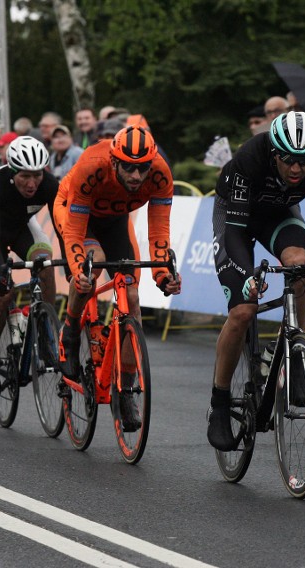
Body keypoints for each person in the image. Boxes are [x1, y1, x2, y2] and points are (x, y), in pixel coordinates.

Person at [206, 111, 305, 451]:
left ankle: (294, 350)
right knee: (243, 310)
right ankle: (219, 400)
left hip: (279, 216)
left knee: (299, 264)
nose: (296, 169)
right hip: (236, 219)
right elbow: (234, 234)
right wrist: (248, 277)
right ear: (274, 152)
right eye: (288, 160)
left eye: (303, 162)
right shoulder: (250, 157)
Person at [54, 125, 182, 431]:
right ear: (114, 162)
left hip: (115, 221)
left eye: (142, 168)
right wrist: (79, 272)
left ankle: (126, 390)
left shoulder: (160, 175)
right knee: (92, 265)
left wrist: (163, 275)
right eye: (128, 168)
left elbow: (159, 230)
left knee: (132, 297)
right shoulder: (91, 166)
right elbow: (73, 231)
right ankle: (70, 331)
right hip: (75, 213)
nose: (137, 176)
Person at [0, 136, 59, 395]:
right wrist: (0, 274)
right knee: (4, 293)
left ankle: (45, 333)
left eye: (37, 175)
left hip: (23, 227)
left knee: (46, 264)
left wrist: (72, 258)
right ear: (12, 172)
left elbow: (62, 228)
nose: (32, 183)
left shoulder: (50, 185)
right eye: (25, 176)